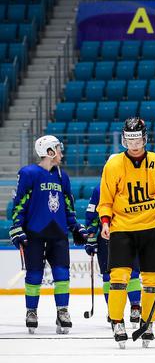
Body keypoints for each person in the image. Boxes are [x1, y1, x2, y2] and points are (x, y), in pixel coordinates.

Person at [97, 117, 155, 348]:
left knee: (152, 280)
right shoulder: (113, 165)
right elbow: (105, 200)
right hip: (122, 228)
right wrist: (105, 221)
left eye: (137, 139)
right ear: (124, 139)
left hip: (153, 227)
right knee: (118, 277)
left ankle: (147, 322)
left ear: (145, 138)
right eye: (129, 139)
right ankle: (117, 321)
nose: (134, 144)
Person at [10, 135, 87, 334]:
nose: (62, 152)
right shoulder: (28, 173)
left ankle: (62, 311)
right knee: (34, 274)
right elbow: (20, 203)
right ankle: (31, 312)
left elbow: (68, 206)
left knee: (62, 274)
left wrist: (75, 226)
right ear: (49, 152)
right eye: (58, 149)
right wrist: (17, 226)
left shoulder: (63, 176)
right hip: (34, 233)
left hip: (58, 233)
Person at [84, 158, 142, 327]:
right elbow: (93, 215)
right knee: (112, 275)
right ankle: (119, 309)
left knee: (132, 273)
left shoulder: (128, 184)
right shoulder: (100, 188)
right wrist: (91, 237)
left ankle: (134, 306)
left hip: (127, 234)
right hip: (109, 236)